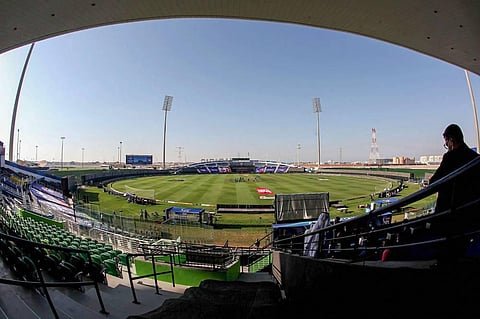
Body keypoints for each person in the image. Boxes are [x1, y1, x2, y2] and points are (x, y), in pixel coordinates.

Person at [429, 123, 480, 213]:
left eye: (447, 143)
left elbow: (433, 183)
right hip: (472, 212)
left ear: (451, 141)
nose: (447, 146)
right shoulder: (476, 158)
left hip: (450, 214)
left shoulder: (450, 157)